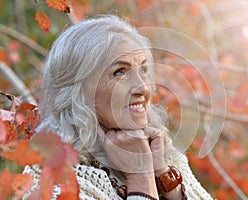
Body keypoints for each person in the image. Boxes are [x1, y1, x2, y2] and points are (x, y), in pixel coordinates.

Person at [23, 15, 213, 200]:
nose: (144, 88)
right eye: (120, 72)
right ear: (77, 90)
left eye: (143, 70)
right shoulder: (48, 176)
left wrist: (164, 177)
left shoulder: (164, 154)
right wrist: (140, 176)